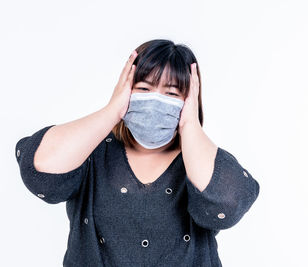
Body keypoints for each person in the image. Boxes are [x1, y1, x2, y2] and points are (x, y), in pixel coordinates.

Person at [14, 39, 260, 266]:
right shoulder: (91, 152)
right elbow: (40, 171)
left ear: (189, 100)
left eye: (172, 94)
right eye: (143, 88)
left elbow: (227, 206)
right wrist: (112, 111)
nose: (156, 101)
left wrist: (190, 125)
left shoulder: (200, 161)